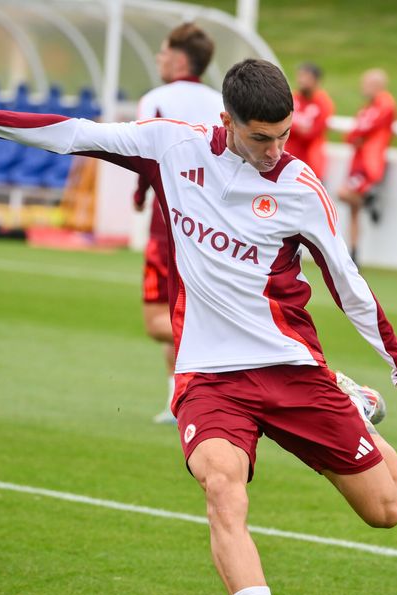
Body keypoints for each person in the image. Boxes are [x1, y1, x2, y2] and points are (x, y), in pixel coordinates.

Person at [0, 59, 397, 595]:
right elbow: (73, 132)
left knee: (385, 510)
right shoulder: (173, 148)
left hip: (291, 369)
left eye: (283, 136)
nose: (275, 150)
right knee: (223, 489)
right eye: (261, 138)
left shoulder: (300, 185)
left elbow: (348, 286)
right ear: (227, 122)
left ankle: (349, 400)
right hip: (210, 376)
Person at [133, 23, 225, 424]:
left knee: (159, 320)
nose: (158, 58)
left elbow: (141, 151)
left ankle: (231, 346)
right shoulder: (221, 101)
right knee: (181, 309)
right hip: (215, 224)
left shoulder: (156, 99)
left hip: (169, 221)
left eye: (164, 51)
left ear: (181, 59)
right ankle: (178, 399)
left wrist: (139, 194)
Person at [337, 69, 396, 266]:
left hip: (368, 163)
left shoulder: (385, 104)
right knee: (353, 209)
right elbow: (353, 134)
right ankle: (354, 253)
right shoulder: (366, 107)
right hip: (358, 161)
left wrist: (356, 136)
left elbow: (363, 130)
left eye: (366, 83)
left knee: (343, 193)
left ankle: (370, 200)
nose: (363, 87)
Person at [284, 62, 334, 180]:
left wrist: (290, 125)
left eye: (306, 77)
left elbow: (311, 133)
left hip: (310, 163)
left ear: (317, 81)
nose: (301, 80)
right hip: (288, 159)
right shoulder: (292, 98)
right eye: (300, 76)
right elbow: (279, 124)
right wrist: (297, 127)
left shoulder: (323, 103)